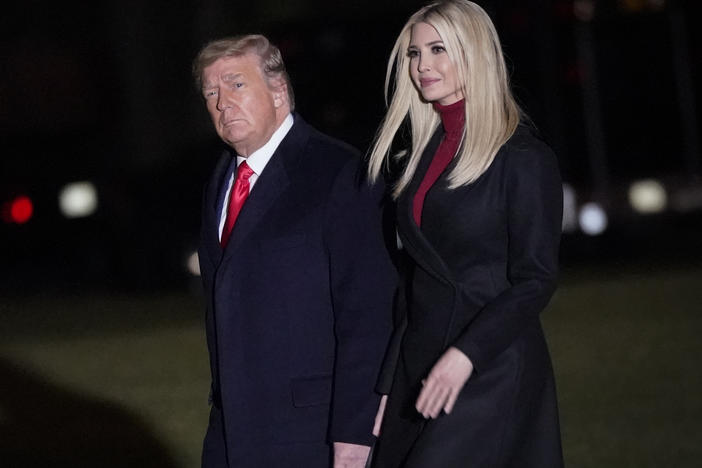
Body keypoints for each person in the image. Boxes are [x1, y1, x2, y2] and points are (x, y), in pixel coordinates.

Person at [366, 1, 564, 467]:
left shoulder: (523, 159)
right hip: (419, 368)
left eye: (438, 49)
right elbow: (412, 286)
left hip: (490, 365)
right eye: (414, 54)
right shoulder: (415, 158)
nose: (423, 66)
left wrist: (465, 355)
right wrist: (387, 383)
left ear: (473, 53)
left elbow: (536, 278)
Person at [192, 34, 395, 468]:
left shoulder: (338, 172)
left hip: (312, 434)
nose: (222, 102)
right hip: (231, 434)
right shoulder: (220, 181)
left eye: (236, 84)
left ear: (279, 91)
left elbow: (369, 313)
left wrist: (355, 433)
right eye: (211, 92)